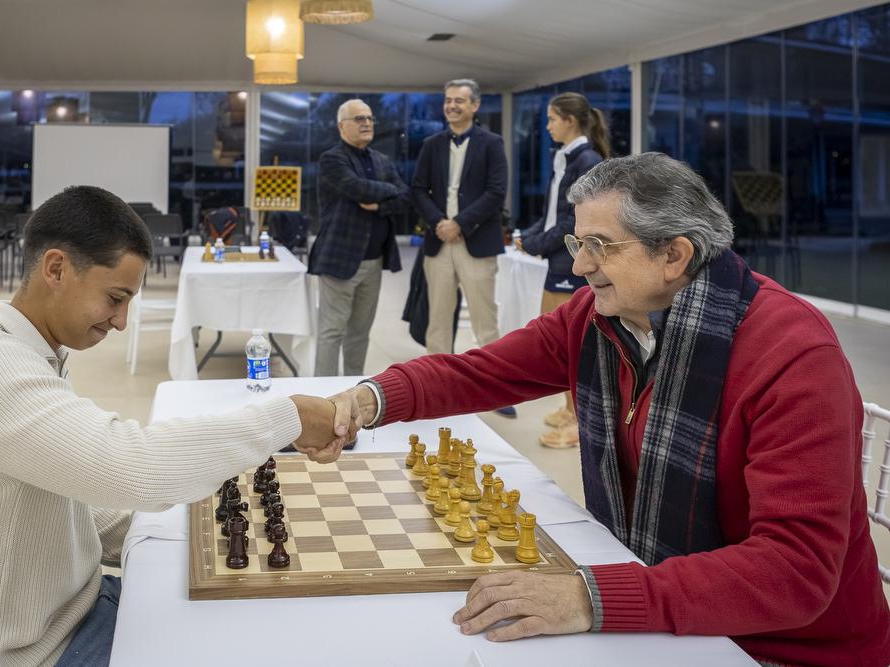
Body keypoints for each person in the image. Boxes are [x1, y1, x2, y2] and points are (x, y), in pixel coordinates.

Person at [330, 154, 890, 665]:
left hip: (786, 651)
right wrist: (366, 400)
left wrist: (589, 596)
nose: (579, 267)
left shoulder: (792, 355)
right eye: (578, 244)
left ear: (674, 255)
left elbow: (794, 572)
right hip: (664, 614)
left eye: (599, 246)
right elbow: (481, 372)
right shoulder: (597, 317)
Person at [0, 186, 355, 667]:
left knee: (252, 621)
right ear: (56, 269)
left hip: (75, 607)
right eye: (114, 298)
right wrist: (290, 417)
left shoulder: (30, 353)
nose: (121, 322)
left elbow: (68, 501)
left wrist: (185, 533)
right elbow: (134, 466)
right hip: (34, 652)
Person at [412, 78, 513, 416]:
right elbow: (418, 189)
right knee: (438, 321)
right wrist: (439, 222)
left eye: (459, 100)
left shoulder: (492, 144)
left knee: (486, 320)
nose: (452, 106)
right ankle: (435, 388)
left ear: (475, 105)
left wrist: (460, 223)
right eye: (448, 100)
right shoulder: (432, 144)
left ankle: (497, 390)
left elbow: (496, 192)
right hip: (439, 242)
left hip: (477, 242)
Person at [518, 92, 608, 448]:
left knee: (573, 345)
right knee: (559, 341)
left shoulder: (587, 160)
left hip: (571, 260)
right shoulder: (566, 157)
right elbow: (552, 214)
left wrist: (538, 243)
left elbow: (575, 221)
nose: (548, 126)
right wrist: (529, 236)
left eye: (552, 119)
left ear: (570, 121)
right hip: (558, 258)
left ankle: (579, 421)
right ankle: (569, 408)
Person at [309, 98, 410, 376]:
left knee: (360, 333)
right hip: (339, 260)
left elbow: (406, 197)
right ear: (341, 127)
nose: (367, 123)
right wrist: (389, 190)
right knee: (332, 332)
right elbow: (357, 189)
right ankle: (323, 394)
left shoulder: (382, 160)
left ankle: (353, 392)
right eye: (359, 119)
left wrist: (380, 205)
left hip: (374, 261)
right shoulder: (332, 159)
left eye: (369, 118)